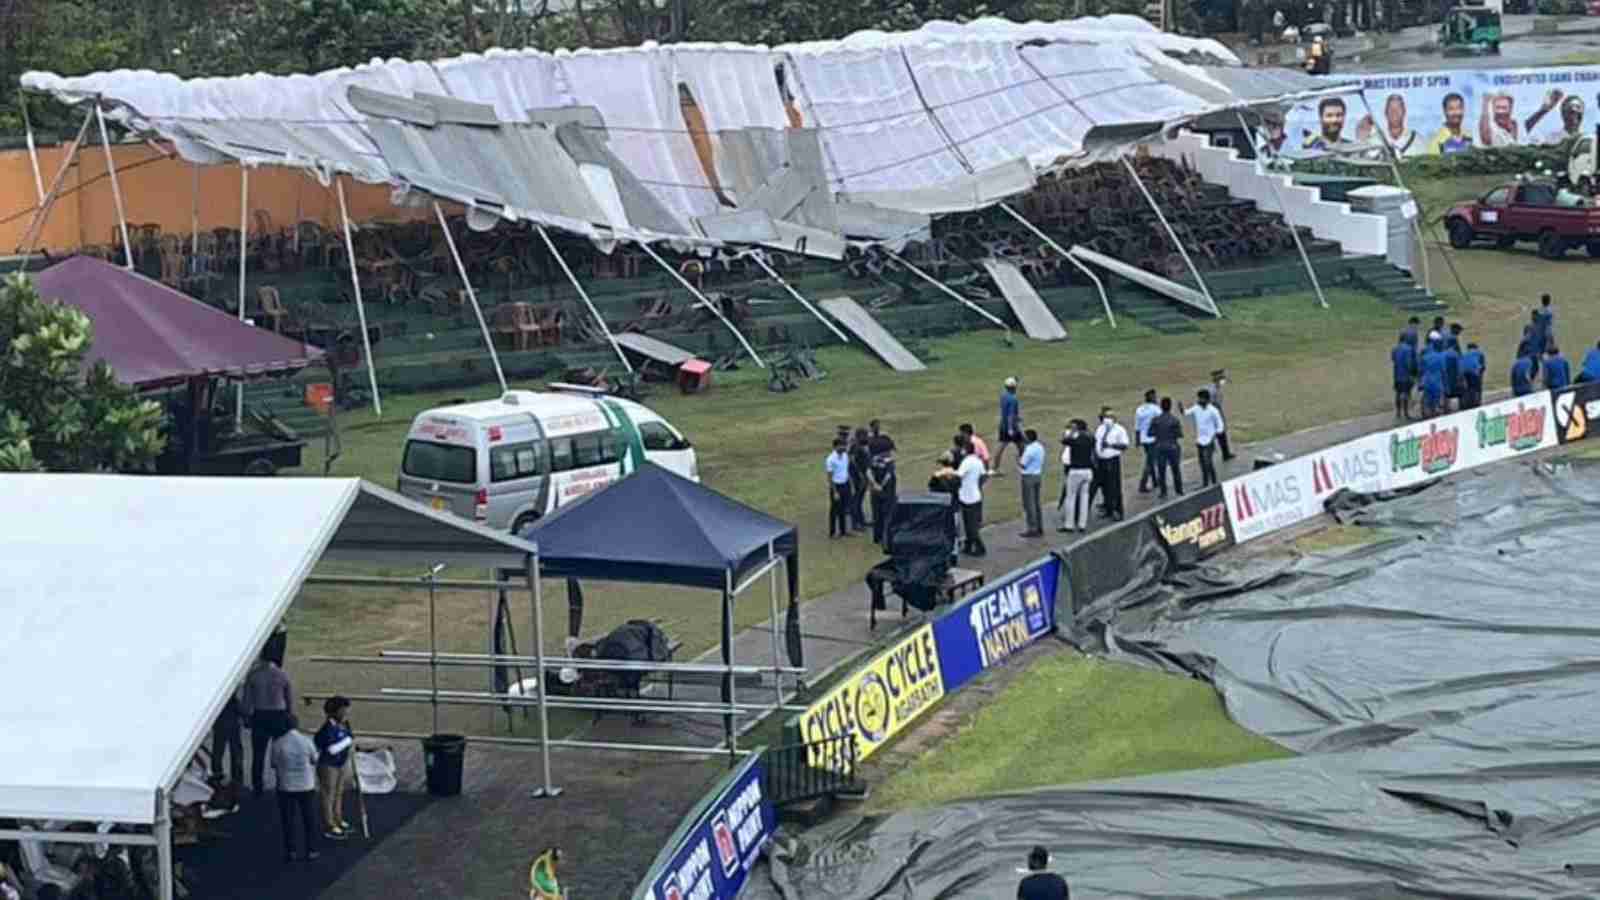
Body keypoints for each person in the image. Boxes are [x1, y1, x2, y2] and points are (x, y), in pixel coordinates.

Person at [243, 652, 294, 797]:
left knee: (258, 754)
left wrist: (247, 717)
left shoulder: (254, 675)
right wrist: (289, 716)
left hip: (260, 714)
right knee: (281, 752)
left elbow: (247, 701)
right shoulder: (282, 674)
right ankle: (282, 784)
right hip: (279, 714)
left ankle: (257, 787)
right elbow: (289, 698)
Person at [270, 715, 320, 862]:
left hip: (286, 786)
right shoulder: (306, 741)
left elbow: (273, 764)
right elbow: (314, 759)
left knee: (288, 820)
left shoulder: (278, 743)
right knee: (309, 819)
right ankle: (311, 849)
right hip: (306, 785)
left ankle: (291, 850)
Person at [314, 696, 355, 841]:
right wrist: (347, 741)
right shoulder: (327, 728)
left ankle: (338, 818)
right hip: (328, 765)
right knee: (328, 794)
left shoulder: (344, 724)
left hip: (341, 763)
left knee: (339, 792)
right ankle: (329, 824)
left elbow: (350, 737)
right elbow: (331, 749)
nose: (346, 714)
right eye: (343, 710)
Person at [1091, 407, 1130, 521]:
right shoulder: (1100, 429)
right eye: (1104, 417)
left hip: (1112, 461)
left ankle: (1118, 511)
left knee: (1115, 486)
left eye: (1109, 417)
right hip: (1101, 461)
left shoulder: (1119, 430)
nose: (1106, 419)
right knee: (1104, 487)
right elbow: (1096, 444)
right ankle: (1108, 509)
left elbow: (1124, 445)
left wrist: (1110, 445)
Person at [1058, 420, 1095, 534]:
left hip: (1076, 471)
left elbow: (1064, 441)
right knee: (1084, 497)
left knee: (1071, 497)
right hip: (1088, 471)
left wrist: (1071, 432)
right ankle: (1082, 524)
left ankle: (1069, 525)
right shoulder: (1091, 439)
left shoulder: (1074, 440)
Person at [1183, 391, 1225, 488]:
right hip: (1200, 441)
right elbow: (1186, 413)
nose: (1198, 400)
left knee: (1208, 462)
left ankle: (1213, 482)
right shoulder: (1196, 408)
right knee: (1202, 463)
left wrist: (1214, 436)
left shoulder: (1213, 411)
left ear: (1206, 399)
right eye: (1198, 398)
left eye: (1201, 398)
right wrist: (1182, 409)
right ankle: (1207, 482)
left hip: (1209, 441)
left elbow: (1220, 426)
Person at [1357, 93, 1421, 158]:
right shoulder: (1374, 140)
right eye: (1391, 109)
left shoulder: (1417, 140)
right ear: (1385, 112)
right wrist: (1362, 139)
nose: (1394, 112)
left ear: (1404, 112)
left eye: (1398, 108)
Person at [956, 437, 988, 557]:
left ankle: (980, 547)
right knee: (970, 523)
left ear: (965, 450)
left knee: (970, 525)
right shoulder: (977, 461)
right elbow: (984, 476)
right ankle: (969, 546)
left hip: (967, 497)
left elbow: (958, 476)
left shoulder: (966, 462)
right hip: (975, 495)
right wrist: (977, 484)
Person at [929, 451, 962, 564]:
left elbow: (932, 491)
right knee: (955, 533)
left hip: (942, 509)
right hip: (954, 508)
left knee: (943, 532)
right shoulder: (957, 475)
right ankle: (954, 554)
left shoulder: (936, 477)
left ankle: (943, 555)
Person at [211, 679, 245, 788]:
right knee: (236, 751)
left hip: (220, 724)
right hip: (233, 725)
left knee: (218, 750)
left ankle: (217, 775)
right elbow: (241, 709)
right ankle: (237, 778)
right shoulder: (233, 698)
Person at [1150, 397, 1184, 499]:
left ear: (1161, 407)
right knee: (1176, 469)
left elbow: (1150, 433)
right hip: (1172, 447)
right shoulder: (1174, 420)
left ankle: (1163, 492)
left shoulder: (1155, 420)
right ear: (1170, 407)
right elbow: (1179, 434)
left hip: (1160, 447)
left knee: (1161, 470)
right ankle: (1179, 490)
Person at [868, 439, 898, 547]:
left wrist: (874, 484)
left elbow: (868, 472)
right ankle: (886, 538)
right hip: (887, 492)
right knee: (888, 516)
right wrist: (880, 485)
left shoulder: (873, 460)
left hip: (875, 492)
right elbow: (889, 476)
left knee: (876, 515)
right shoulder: (889, 461)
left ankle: (877, 537)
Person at [1017, 429, 1045, 538]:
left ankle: (1032, 528)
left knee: (1029, 504)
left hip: (1028, 477)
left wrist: (1018, 459)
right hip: (1037, 475)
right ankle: (1039, 526)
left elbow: (1023, 464)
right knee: (1036, 503)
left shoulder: (1029, 449)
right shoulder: (1039, 446)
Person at [1134, 389, 1161, 494]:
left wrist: (1137, 440)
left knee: (1150, 459)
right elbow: (1161, 422)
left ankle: (1154, 481)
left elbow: (1137, 426)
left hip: (1143, 439)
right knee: (1150, 462)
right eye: (1155, 396)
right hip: (1153, 439)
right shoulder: (1156, 409)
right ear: (1152, 397)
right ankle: (1142, 484)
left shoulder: (1139, 409)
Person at [995, 377, 1024, 470]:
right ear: (1013, 388)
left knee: (1001, 446)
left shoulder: (1003, 396)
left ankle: (995, 467)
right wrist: (1011, 428)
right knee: (1022, 445)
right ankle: (1023, 463)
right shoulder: (1013, 399)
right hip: (1012, 427)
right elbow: (1010, 415)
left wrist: (1016, 417)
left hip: (1003, 425)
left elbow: (1006, 411)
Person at [825, 437, 851, 538]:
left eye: (844, 445)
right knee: (834, 510)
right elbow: (829, 477)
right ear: (836, 447)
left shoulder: (845, 455)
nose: (844, 447)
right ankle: (832, 532)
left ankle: (843, 530)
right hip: (836, 486)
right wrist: (835, 492)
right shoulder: (830, 459)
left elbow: (846, 470)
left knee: (843, 508)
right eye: (842, 445)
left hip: (845, 484)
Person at [1209, 369, 1234, 461]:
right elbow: (1212, 403)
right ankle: (1224, 454)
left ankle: (1226, 453)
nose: (1223, 380)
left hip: (1218, 412)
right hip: (1215, 413)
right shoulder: (1213, 390)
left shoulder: (1216, 388)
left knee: (1222, 434)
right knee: (1219, 434)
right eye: (1221, 378)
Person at [1392, 333, 1417, 420]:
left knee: (1398, 394)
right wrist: (1412, 374)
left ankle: (1398, 412)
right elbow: (1408, 363)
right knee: (1406, 393)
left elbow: (1393, 359)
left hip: (1397, 374)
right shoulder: (1408, 349)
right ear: (1406, 339)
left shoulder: (1394, 349)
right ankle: (1406, 413)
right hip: (1406, 375)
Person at [1419, 342, 1445, 418]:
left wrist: (1420, 383)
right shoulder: (1440, 357)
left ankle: (1428, 415)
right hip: (1437, 382)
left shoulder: (1424, 358)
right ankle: (1435, 414)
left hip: (1427, 382)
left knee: (1427, 401)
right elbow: (1443, 370)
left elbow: (1420, 371)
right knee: (1436, 401)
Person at [1461, 342, 1486, 408]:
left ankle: (1469, 402)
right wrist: (1480, 374)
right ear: (1476, 348)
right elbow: (1482, 366)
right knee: (1478, 388)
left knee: (1469, 388)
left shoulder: (1464, 355)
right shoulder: (1480, 353)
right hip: (1475, 372)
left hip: (1465, 373)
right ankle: (1478, 402)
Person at [1441, 339, 1462, 413]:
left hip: (1445, 375)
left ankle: (1446, 408)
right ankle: (1458, 408)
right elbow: (1458, 367)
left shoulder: (1443, 354)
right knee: (1457, 392)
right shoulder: (1455, 354)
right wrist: (1460, 377)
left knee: (1446, 393)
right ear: (1453, 345)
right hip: (1453, 376)